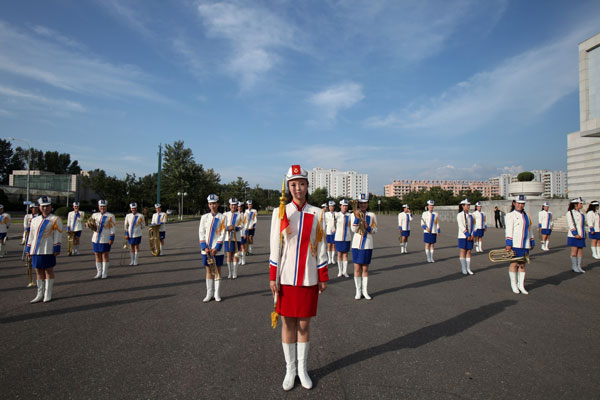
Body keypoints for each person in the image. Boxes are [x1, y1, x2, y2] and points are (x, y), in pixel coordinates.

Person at [269, 165, 328, 391]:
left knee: (304, 324)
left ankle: (302, 369)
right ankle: (290, 369)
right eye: (293, 184)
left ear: (307, 186)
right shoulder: (280, 212)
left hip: (308, 277)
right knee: (287, 322)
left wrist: (322, 275)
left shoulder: (317, 213)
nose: (297, 188)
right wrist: (273, 277)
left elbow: (319, 246)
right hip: (285, 277)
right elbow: (276, 247)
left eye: (301, 183)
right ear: (288, 187)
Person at [26, 196, 63, 303]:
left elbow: (58, 234)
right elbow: (31, 236)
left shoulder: (55, 219)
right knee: (38, 271)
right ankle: (40, 293)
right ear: (39, 207)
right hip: (35, 250)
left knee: (48, 270)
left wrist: (56, 247)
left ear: (51, 207)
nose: (45, 208)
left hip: (48, 248)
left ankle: (48, 294)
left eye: (47, 206)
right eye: (43, 206)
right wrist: (28, 248)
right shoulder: (34, 220)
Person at [505, 195, 535, 294]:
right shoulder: (510, 215)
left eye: (522, 203)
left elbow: (529, 229)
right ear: (514, 203)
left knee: (522, 265)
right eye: (518, 203)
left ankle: (521, 285)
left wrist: (532, 240)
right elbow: (509, 230)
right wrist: (508, 243)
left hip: (525, 244)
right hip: (515, 244)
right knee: (514, 264)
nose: (520, 205)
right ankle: (514, 285)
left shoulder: (527, 216)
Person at [199, 194, 226, 302]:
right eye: (210, 204)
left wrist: (216, 247)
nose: (212, 206)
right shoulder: (204, 217)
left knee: (218, 271)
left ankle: (217, 294)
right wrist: (204, 247)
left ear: (218, 204)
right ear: (208, 205)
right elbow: (201, 233)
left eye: (214, 203)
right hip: (206, 249)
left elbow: (223, 233)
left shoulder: (223, 217)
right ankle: (209, 293)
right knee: (208, 271)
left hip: (217, 249)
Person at [351, 193, 377, 300]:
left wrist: (368, 227)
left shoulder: (372, 215)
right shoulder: (353, 214)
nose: (363, 205)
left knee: (365, 268)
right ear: (359, 204)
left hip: (367, 245)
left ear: (367, 203)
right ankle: (358, 291)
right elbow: (353, 230)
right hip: (357, 245)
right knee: (357, 268)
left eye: (365, 203)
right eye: (361, 203)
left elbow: (375, 230)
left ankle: (365, 291)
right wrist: (357, 218)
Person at [88, 200, 116, 279]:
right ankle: (99, 272)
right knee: (97, 255)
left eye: (104, 206)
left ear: (106, 207)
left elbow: (112, 228)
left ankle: (104, 272)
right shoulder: (94, 215)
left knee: (105, 255)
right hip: (95, 238)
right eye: (101, 206)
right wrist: (88, 225)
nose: (102, 208)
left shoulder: (111, 216)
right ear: (98, 206)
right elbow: (89, 223)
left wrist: (111, 238)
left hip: (105, 238)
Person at [224, 198, 243, 279]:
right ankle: (230, 272)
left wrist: (235, 227)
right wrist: (228, 228)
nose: (233, 206)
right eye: (232, 205)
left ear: (237, 206)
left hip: (236, 237)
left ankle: (235, 272)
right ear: (229, 206)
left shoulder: (240, 215)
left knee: (235, 255)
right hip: (227, 238)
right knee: (228, 255)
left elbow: (242, 225)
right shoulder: (225, 214)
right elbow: (222, 225)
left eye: (235, 205)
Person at [567, 197, 586, 273]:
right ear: (575, 204)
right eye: (580, 203)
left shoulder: (581, 213)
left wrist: (584, 234)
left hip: (581, 234)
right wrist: (575, 234)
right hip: (574, 235)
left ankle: (579, 266)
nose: (581, 205)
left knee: (580, 251)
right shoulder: (570, 213)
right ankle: (574, 266)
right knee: (574, 251)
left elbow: (582, 225)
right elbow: (570, 224)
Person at [333, 199, 352, 277]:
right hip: (338, 237)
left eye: (346, 206)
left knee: (346, 254)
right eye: (343, 206)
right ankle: (340, 271)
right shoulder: (336, 215)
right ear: (340, 206)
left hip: (347, 237)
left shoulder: (350, 215)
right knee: (339, 254)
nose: (345, 207)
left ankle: (345, 271)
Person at [22, 202, 39, 287]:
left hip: (36, 236)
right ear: (31, 209)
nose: (34, 209)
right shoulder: (27, 216)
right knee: (28, 249)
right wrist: (27, 228)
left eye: (35, 208)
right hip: (29, 234)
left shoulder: (39, 217)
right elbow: (25, 224)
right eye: (33, 208)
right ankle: (28, 260)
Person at [457, 199, 475, 275]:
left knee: (469, 251)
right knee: (463, 251)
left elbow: (474, 225)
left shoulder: (471, 215)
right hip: (462, 236)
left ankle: (468, 268)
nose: (468, 206)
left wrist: (472, 234)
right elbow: (461, 225)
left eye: (469, 205)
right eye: (467, 205)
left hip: (470, 235)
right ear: (463, 206)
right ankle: (463, 268)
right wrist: (467, 234)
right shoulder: (459, 215)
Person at [324, 200, 337, 265]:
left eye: (332, 206)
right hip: (328, 231)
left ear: (334, 207)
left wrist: (336, 229)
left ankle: (333, 259)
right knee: (329, 245)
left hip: (335, 231)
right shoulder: (326, 214)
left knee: (334, 245)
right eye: (330, 206)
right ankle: (329, 259)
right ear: (328, 207)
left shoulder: (336, 214)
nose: (331, 207)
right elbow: (325, 223)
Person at [237, 201, 247, 265]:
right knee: (238, 248)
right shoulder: (235, 214)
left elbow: (246, 224)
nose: (239, 208)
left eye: (240, 206)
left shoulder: (245, 214)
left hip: (242, 232)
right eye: (238, 206)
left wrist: (245, 233)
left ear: (242, 207)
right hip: (237, 233)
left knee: (242, 246)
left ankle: (243, 259)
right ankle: (239, 259)